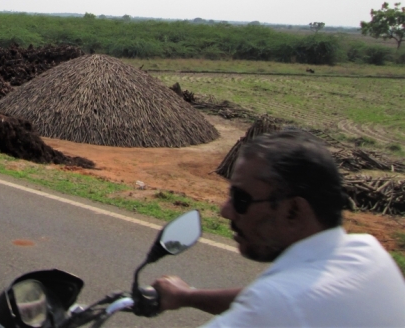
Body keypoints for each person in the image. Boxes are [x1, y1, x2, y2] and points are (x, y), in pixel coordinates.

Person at [152, 129, 405, 327]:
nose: (225, 210)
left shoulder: (278, 303)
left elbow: (271, 302)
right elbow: (259, 298)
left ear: (293, 210)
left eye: (241, 199)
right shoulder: (367, 252)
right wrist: (186, 296)